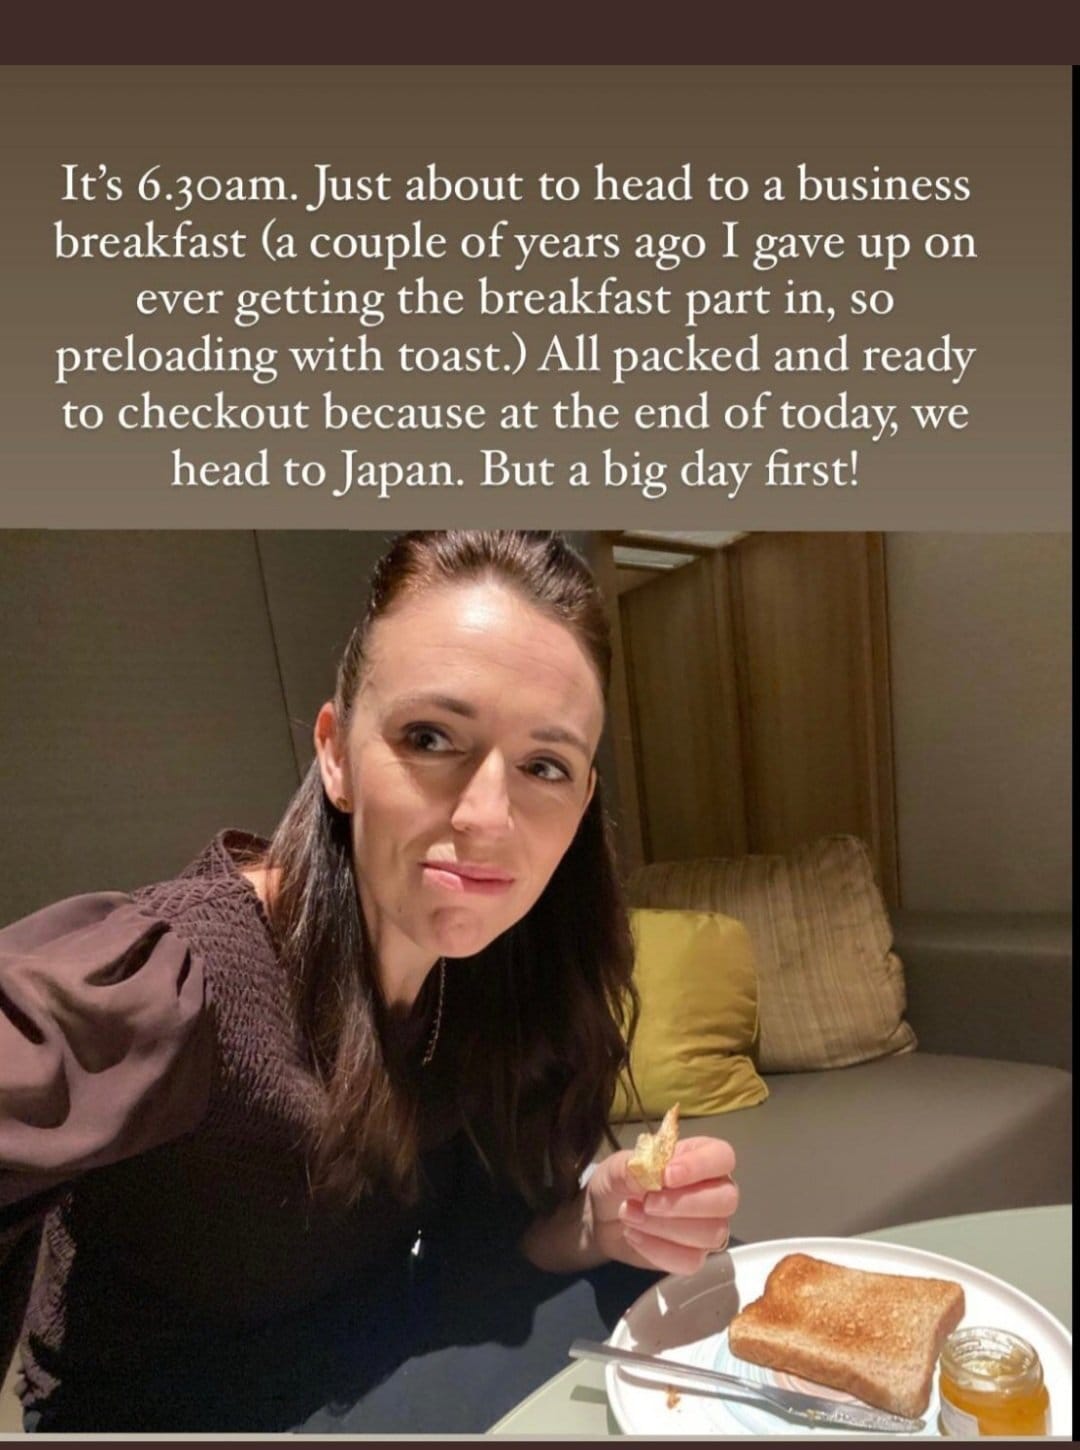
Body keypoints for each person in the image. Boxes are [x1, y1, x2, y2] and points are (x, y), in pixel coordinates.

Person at [0, 530, 737, 1432]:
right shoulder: (181, 980)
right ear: (337, 755)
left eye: (544, 766)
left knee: (684, 1297)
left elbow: (490, 1252)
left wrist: (600, 1221)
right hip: (179, 1408)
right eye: (431, 738)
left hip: (376, 1350)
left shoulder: (489, 973)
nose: (487, 818)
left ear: (582, 802)